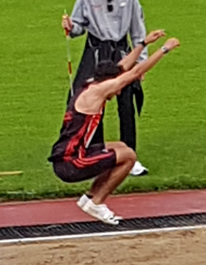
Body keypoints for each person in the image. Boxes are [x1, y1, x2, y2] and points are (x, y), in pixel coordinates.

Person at [48, 30, 180, 225]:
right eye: (117, 86)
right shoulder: (99, 92)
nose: (119, 91)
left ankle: (90, 197)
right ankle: (98, 202)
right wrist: (165, 49)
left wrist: (143, 43)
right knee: (129, 157)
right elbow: (134, 73)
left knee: (121, 148)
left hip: (73, 154)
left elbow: (122, 68)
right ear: (109, 83)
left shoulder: (92, 83)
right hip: (71, 163)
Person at [62, 0, 149, 176]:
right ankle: (95, 154)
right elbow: (78, 26)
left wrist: (141, 62)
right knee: (91, 101)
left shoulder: (131, 1)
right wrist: (70, 26)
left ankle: (130, 154)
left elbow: (138, 30)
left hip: (122, 50)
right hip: (95, 51)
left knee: (126, 105)